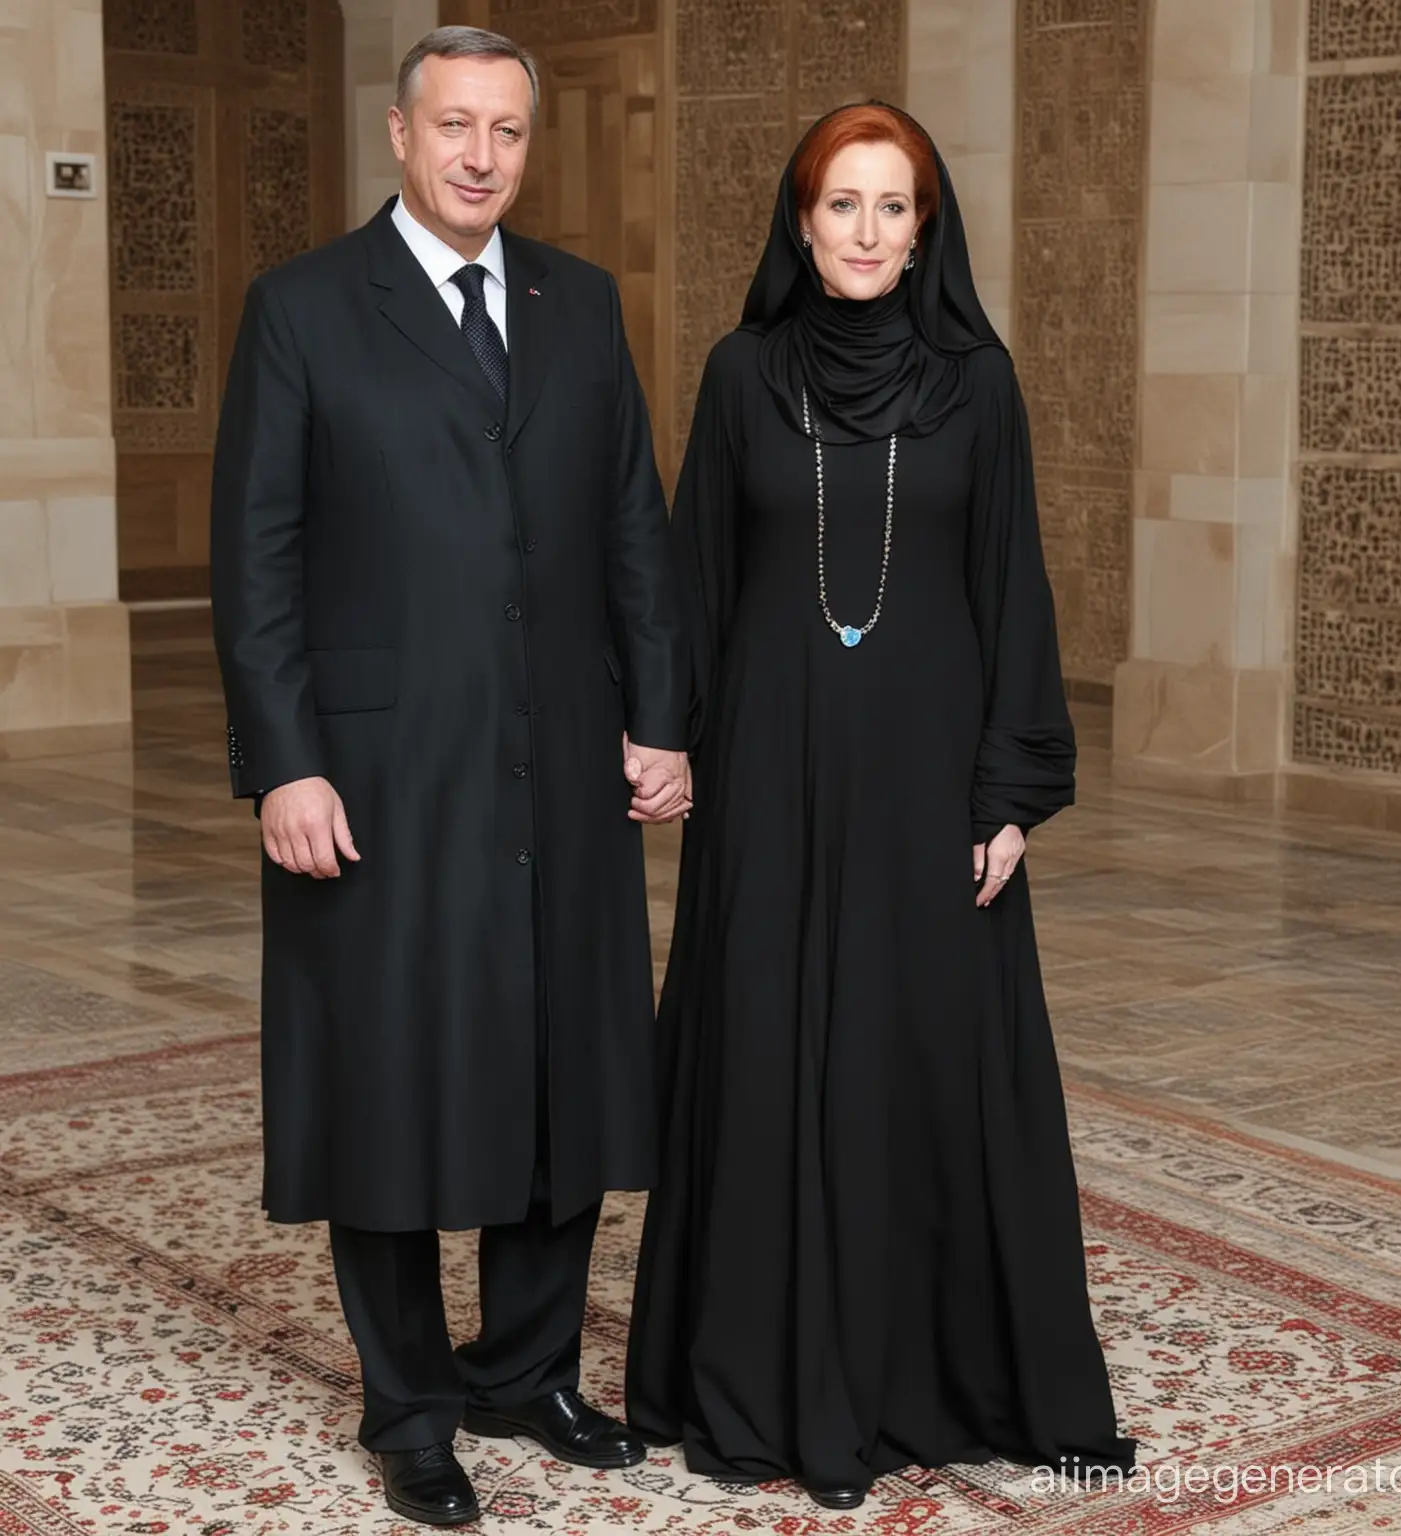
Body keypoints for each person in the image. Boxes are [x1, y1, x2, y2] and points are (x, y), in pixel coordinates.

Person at [209, 26, 690, 1527]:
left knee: (562, 1064)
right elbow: (256, 562)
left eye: (509, 131)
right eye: (456, 126)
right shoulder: (299, 310)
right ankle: (411, 1408)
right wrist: (284, 764)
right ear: (402, 140)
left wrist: (662, 719)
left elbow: (634, 535)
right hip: (377, 778)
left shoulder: (582, 302)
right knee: (391, 1086)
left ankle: (531, 1370)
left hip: (562, 767)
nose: (483, 154)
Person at [624, 103, 1136, 1509]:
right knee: (775, 1058)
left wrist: (1013, 788)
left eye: (890, 207)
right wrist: (664, 743)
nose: (863, 231)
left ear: (927, 229)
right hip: (771, 780)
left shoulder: (981, 384)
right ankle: (766, 1384)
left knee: (918, 1065)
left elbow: (1012, 595)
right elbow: (691, 583)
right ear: (800, 224)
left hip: (931, 787)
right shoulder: (741, 377)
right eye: (839, 205)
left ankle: (924, 1377)